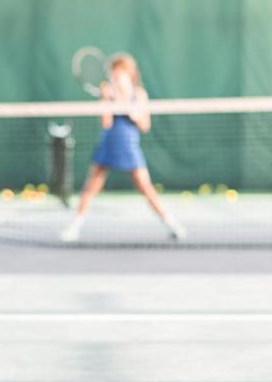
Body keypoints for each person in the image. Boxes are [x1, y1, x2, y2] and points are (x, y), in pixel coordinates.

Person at [60, 54, 187, 242]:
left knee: (146, 188)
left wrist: (131, 111)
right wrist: (108, 102)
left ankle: (171, 224)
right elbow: (106, 123)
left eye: (119, 74)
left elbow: (145, 126)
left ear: (130, 75)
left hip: (129, 147)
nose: (115, 78)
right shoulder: (107, 94)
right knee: (90, 188)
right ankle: (74, 227)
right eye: (112, 74)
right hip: (108, 145)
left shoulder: (140, 94)